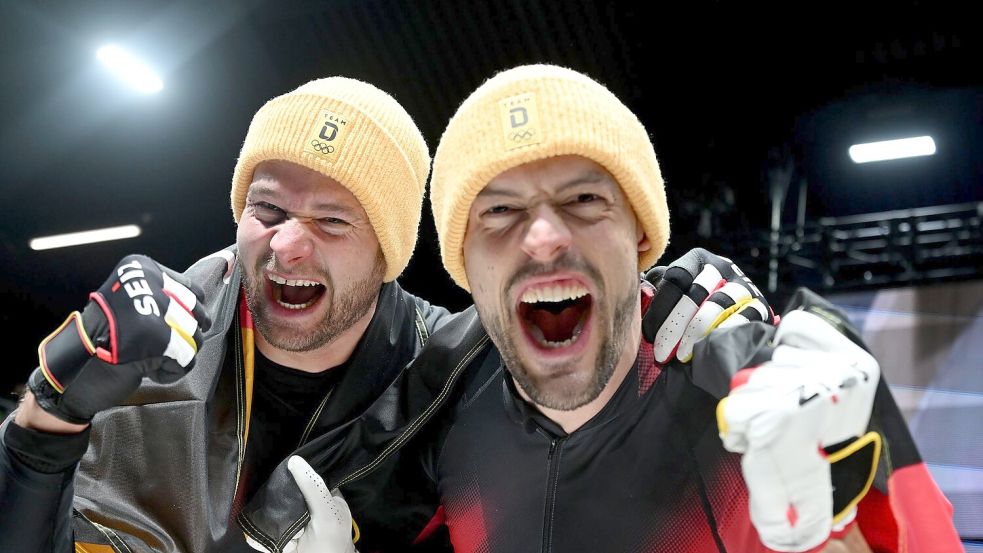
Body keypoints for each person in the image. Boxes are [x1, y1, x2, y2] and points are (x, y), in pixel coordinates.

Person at [0, 76, 759, 553]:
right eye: (266, 209)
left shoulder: (453, 376)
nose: (288, 245)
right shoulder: (156, 342)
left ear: (389, 253)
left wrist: (690, 295)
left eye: (333, 221)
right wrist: (46, 416)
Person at [237, 65, 962, 553]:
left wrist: (873, 486)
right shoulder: (442, 410)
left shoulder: (748, 388)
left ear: (641, 234)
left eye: (584, 200)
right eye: (499, 211)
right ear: (467, 265)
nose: (544, 236)